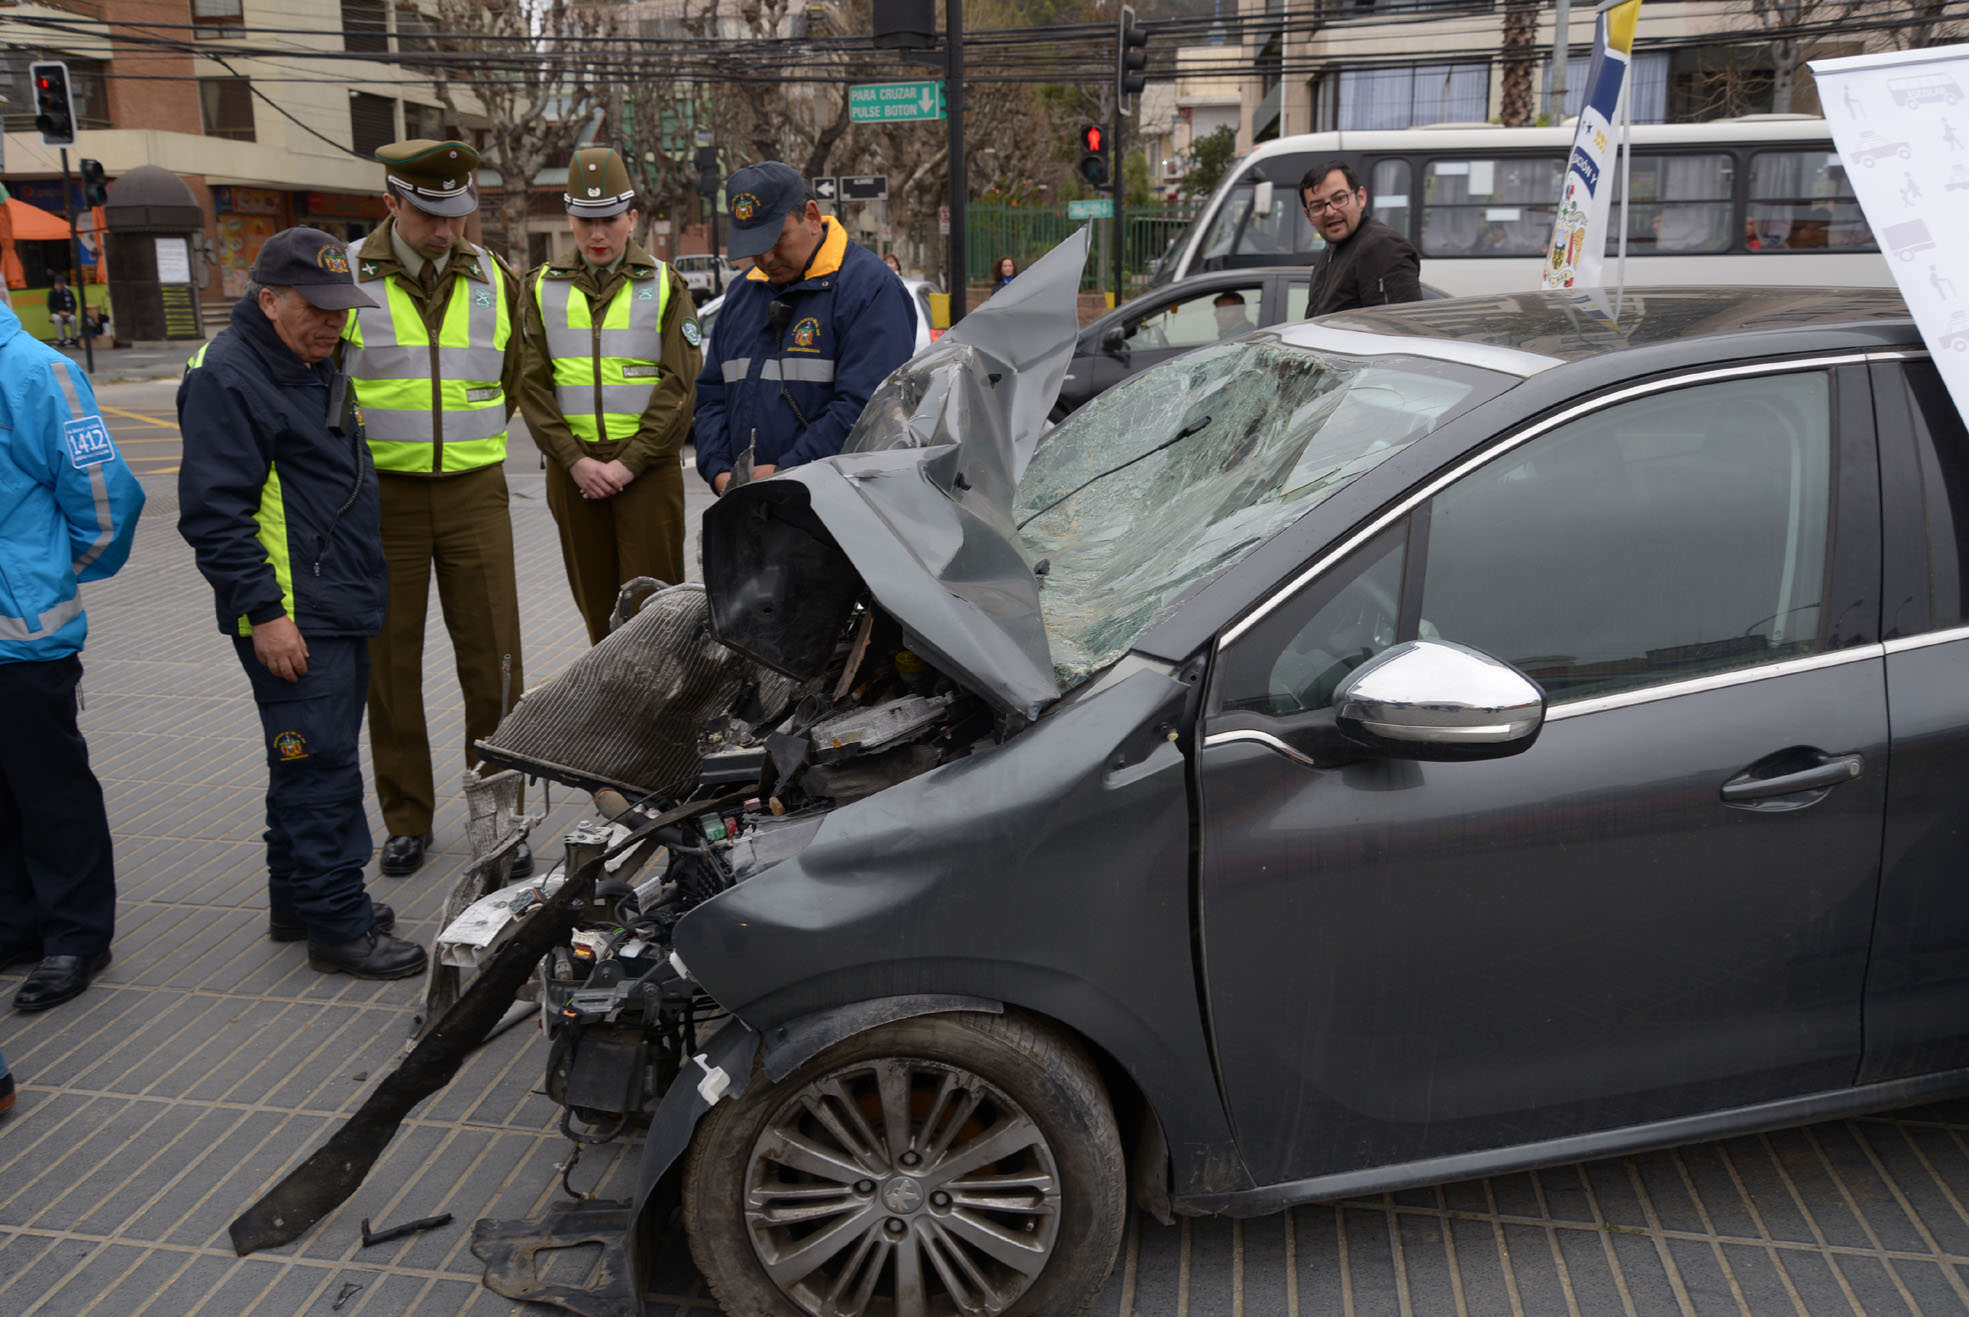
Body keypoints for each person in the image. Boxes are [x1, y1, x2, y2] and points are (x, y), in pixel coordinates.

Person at [177, 227, 426, 980]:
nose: (333, 320)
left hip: (333, 594)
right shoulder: (230, 376)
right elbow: (215, 514)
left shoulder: (304, 358)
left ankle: (300, 902)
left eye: (340, 306)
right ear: (269, 299)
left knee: (301, 756)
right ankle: (339, 927)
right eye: (315, 308)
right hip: (294, 610)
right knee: (318, 764)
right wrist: (266, 613)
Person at [342, 139, 531, 879]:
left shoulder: (493, 277)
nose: (446, 230)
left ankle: (500, 821)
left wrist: (464, 437)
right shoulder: (348, 277)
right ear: (390, 204)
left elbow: (515, 377)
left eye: (457, 214)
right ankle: (407, 819)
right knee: (391, 665)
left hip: (473, 491)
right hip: (380, 497)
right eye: (428, 214)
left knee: (495, 664)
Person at [0, 289, 143, 1012]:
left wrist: (48, 579)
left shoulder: (34, 370)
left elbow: (103, 499)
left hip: (22, 634)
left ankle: (77, 934)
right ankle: (16, 924)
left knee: (49, 787)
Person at [519, 148, 700, 645]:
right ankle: (607, 716)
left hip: (646, 471)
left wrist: (628, 463)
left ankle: (664, 719)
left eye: (609, 220)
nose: (597, 235)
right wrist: (575, 460)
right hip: (573, 472)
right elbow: (531, 385)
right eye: (584, 221)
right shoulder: (540, 287)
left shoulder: (665, 285)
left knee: (655, 613)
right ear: (569, 220)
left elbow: (678, 385)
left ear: (632, 218)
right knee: (597, 609)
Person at [694, 161, 915, 495]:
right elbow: (712, 395)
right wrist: (718, 468)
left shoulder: (871, 289)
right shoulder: (743, 292)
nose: (766, 258)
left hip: (836, 504)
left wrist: (788, 468)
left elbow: (866, 405)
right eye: (754, 245)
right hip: (750, 503)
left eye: (777, 239)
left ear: (811, 217)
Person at [1301, 160, 1423, 318]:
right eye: (1318, 206)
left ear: (1361, 197)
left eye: (1339, 199)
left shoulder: (1383, 247)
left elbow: (1401, 329)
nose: (1330, 212)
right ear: (1308, 216)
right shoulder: (1330, 253)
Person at [46, 275, 77, 347]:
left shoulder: (68, 292)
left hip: (68, 312)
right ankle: (62, 339)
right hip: (57, 312)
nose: (61, 285)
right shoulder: (52, 293)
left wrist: (71, 312)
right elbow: (50, 306)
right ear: (56, 284)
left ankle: (74, 338)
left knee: (73, 318)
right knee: (58, 319)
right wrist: (59, 312)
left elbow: (74, 304)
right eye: (59, 283)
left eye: (62, 283)